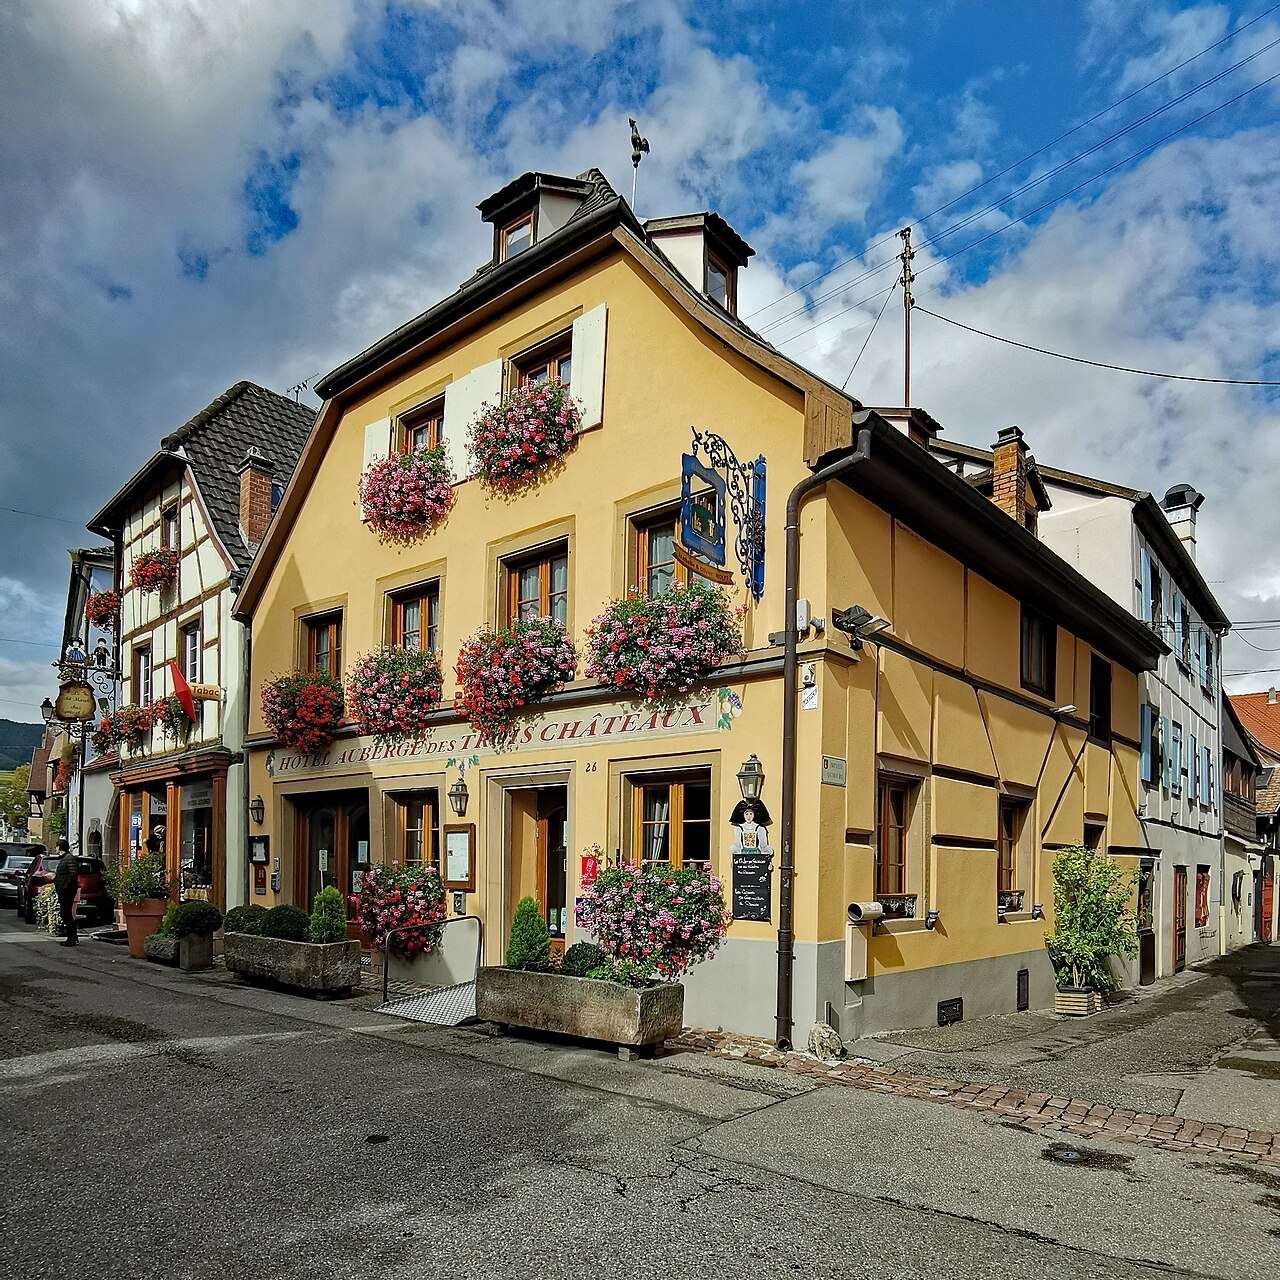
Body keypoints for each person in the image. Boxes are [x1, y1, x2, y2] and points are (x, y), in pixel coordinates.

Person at [52, 837, 79, 948]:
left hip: (67, 891)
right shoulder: (64, 859)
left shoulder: (69, 859)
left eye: (57, 846)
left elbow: (73, 875)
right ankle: (72, 937)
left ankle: (72, 938)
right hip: (63, 890)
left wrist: (64, 886)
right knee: (65, 913)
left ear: (59, 847)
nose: (56, 848)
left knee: (66, 913)